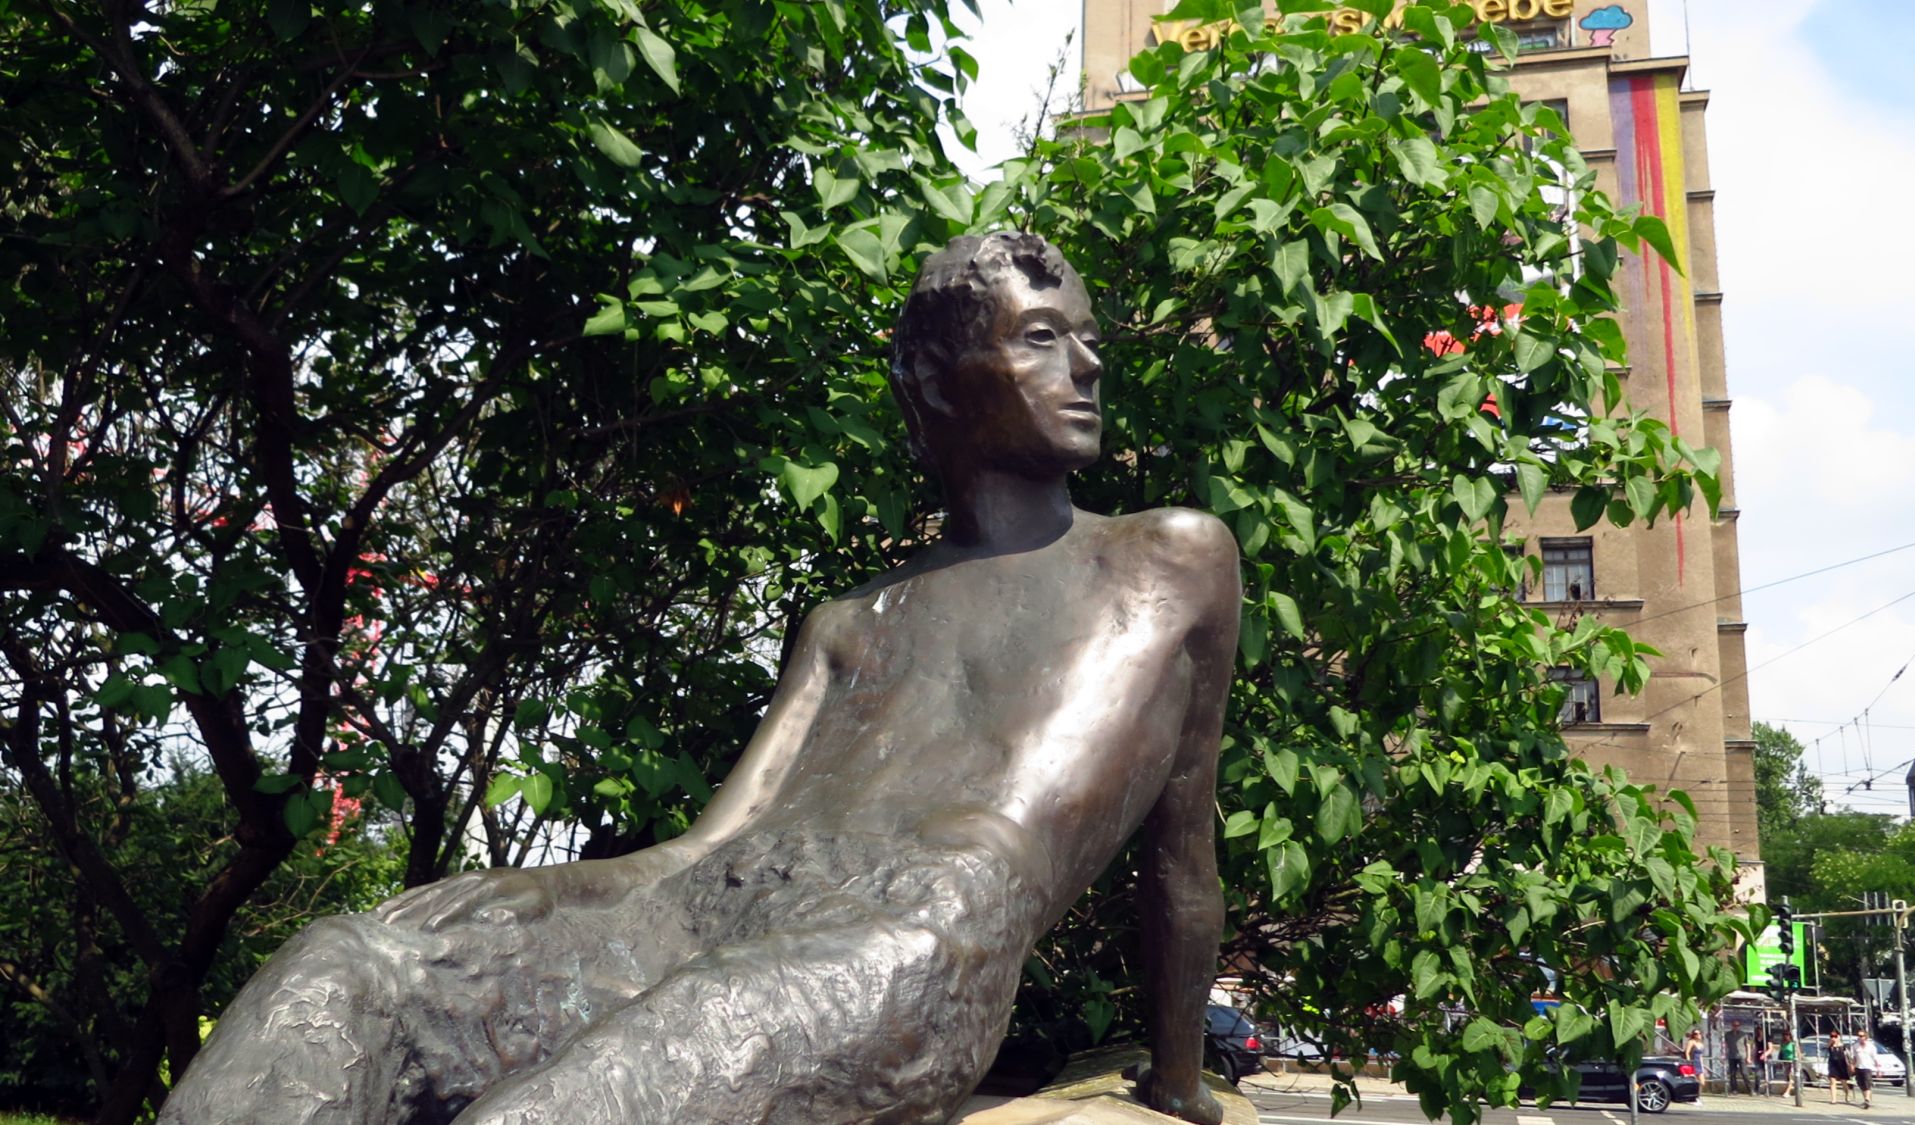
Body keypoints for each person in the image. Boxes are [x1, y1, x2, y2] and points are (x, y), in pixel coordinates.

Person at [158, 233, 1243, 1125]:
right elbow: (701, 851)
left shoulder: (1168, 561)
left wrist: (1176, 1079)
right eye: (1042, 339)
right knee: (345, 968)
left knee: (560, 1111)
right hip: (692, 914)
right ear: (933, 381)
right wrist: (534, 890)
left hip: (900, 938)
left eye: (1085, 340)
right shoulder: (849, 623)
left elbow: (1179, 854)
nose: (1087, 366)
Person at [1852, 1031, 1877, 1109]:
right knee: (1861, 1083)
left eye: (1862, 1036)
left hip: (1867, 1067)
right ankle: (1866, 1099)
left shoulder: (1871, 1047)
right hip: (1858, 1067)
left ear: (1865, 1037)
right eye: (1859, 1036)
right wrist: (1852, 1065)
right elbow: (1854, 1057)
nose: (1860, 1037)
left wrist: (1878, 1067)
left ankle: (1867, 1100)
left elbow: (1875, 1057)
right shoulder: (1855, 1046)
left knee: (1867, 1083)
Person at [1827, 1030, 1852, 1104]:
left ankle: (1847, 1093)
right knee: (1832, 1081)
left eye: (1835, 1036)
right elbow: (1827, 1047)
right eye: (1832, 1036)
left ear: (1838, 1036)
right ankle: (1833, 1099)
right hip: (1832, 1064)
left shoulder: (1843, 1046)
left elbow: (1848, 1056)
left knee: (1843, 1082)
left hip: (1841, 1064)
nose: (1833, 1038)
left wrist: (1850, 1065)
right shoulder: (1830, 1046)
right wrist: (1831, 1042)